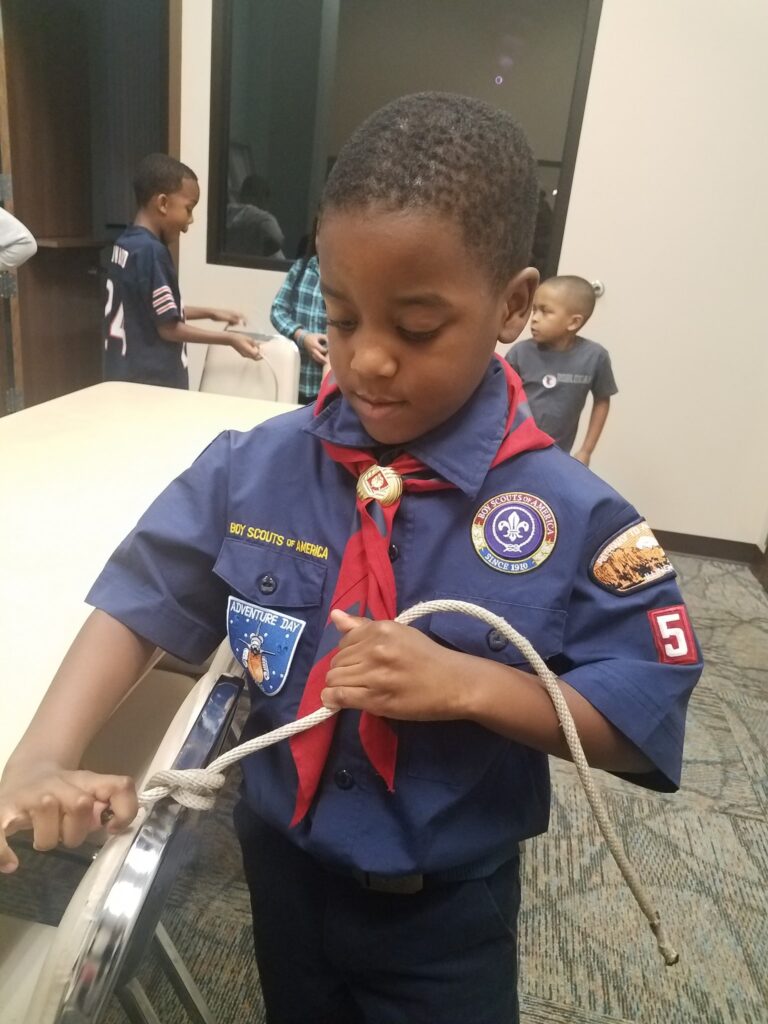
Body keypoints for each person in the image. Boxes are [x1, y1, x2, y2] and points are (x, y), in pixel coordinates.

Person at [0, 94, 702, 1024]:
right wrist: (41, 757)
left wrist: (470, 688)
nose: (366, 361)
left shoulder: (573, 513)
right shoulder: (258, 467)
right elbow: (141, 598)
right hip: (282, 874)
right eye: (341, 316)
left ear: (513, 306)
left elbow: (640, 711)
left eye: (415, 330)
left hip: (446, 910)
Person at [103, 153, 261, 389]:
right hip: (151, 385)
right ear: (163, 203)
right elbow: (168, 328)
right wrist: (229, 339)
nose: (191, 220)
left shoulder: (126, 244)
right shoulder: (151, 251)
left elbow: (151, 310)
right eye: (189, 208)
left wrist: (211, 312)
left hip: (124, 379)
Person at [506, 275, 617, 464]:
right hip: (513, 452)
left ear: (573, 322)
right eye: (534, 310)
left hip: (557, 456)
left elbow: (602, 400)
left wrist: (586, 450)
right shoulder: (519, 353)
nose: (534, 319)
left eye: (545, 312)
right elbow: (499, 398)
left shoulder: (595, 357)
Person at [270, 225, 327, 403]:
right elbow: (277, 310)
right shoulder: (301, 268)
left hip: (331, 383)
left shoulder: (351, 278)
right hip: (296, 379)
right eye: (320, 233)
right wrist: (303, 336)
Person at [226, 173, 285, 259]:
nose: (265, 204)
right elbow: (277, 236)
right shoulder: (263, 222)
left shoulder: (224, 215)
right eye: (257, 196)